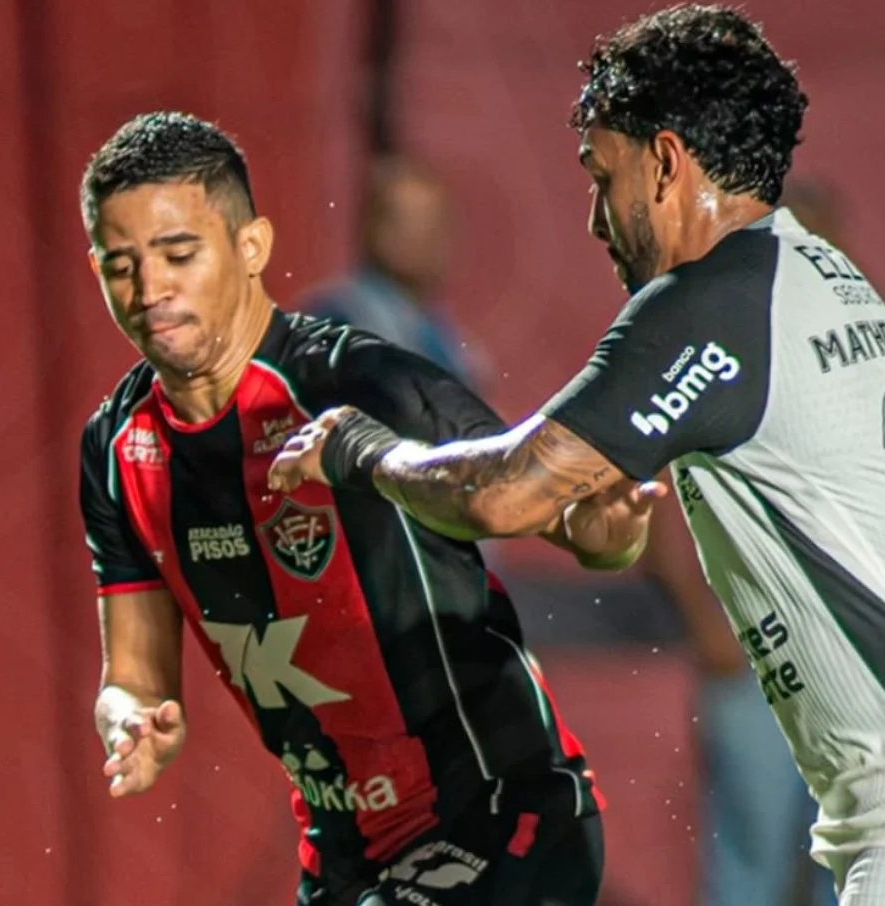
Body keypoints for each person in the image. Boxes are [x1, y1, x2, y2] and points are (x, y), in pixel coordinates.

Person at [267, 6, 885, 902]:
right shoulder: (838, 285)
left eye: (603, 178)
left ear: (667, 163)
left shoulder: (705, 303)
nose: (599, 221)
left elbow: (500, 494)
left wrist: (359, 449)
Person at [76, 111, 656, 906]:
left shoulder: (360, 381)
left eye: (179, 255)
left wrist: (607, 531)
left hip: (500, 811)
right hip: (342, 852)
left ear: (251, 248)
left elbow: (551, 505)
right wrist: (128, 719)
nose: (150, 291)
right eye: (120, 265)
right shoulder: (115, 449)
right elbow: (135, 676)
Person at [300, 155, 486, 388]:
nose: (433, 240)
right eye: (416, 225)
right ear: (376, 230)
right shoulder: (339, 318)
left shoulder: (442, 334)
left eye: (437, 224)